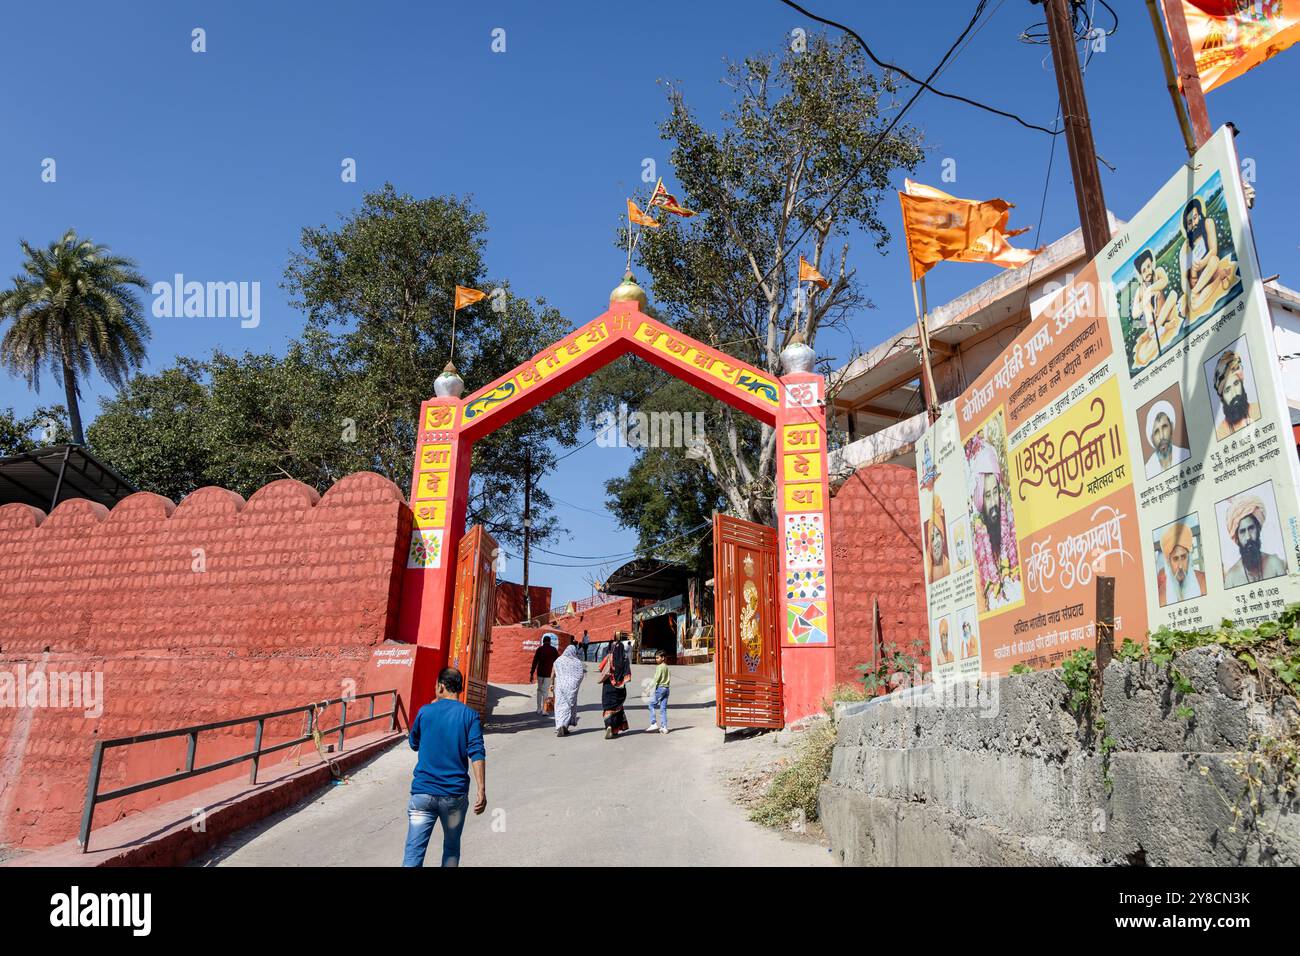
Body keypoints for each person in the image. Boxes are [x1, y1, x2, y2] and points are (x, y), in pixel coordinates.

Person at [402, 667, 486, 868]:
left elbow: (414, 743)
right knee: (451, 849)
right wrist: (481, 789)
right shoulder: (470, 715)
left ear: (440, 686)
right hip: (454, 796)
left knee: (413, 854)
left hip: (422, 794)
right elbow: (476, 752)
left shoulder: (425, 711)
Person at [967, 438, 1023, 612]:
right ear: (980, 501)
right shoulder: (976, 550)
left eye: (995, 493)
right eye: (987, 495)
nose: (993, 503)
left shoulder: (1015, 526)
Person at [1180, 197, 1237, 320]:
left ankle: (1197, 291)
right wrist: (1193, 278)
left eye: (1195, 218)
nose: (1193, 224)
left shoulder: (1207, 223)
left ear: (1200, 215)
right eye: (1189, 223)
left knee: (1214, 260)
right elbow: (1184, 275)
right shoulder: (1187, 246)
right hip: (1201, 280)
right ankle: (1221, 277)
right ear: (1187, 227)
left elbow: (1213, 250)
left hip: (1211, 267)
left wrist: (1201, 264)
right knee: (1195, 306)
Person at [1223, 495, 1287, 587]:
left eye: (1251, 528)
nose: (1248, 537)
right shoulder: (1231, 578)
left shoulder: (1275, 563)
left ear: (1258, 529)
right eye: (1242, 532)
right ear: (1237, 537)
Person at [1132, 248, 1183, 341]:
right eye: (1144, 271)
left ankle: (1155, 329)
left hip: (1165, 311)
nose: (1147, 272)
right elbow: (1134, 313)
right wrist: (1146, 298)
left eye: (1148, 266)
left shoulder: (1158, 272)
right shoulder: (1140, 290)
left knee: (1173, 294)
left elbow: (1165, 281)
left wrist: (1150, 290)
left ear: (1152, 264)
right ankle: (1161, 328)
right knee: (1149, 321)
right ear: (1140, 275)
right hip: (1153, 320)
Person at [1212, 349, 1261, 440]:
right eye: (1227, 390)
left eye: (1236, 384)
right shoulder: (1221, 434)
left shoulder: (1259, 410)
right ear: (1222, 397)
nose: (1234, 393)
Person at [1156, 522, 1205, 606]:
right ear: (1168, 562)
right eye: (1175, 559)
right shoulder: (1162, 598)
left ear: (1189, 557)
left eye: (1183, 557)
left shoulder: (1204, 582)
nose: (1180, 566)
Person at [1143, 400, 1191, 478]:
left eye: (1164, 427)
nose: (1162, 436)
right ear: (1152, 439)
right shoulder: (1148, 471)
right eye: (1156, 432)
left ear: (1171, 427)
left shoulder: (1185, 455)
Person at [598, 637, 632, 739]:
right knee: (618, 708)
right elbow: (628, 675)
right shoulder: (625, 659)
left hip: (608, 687)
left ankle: (609, 726)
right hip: (620, 689)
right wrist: (620, 681)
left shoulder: (609, 657)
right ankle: (615, 729)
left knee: (608, 707)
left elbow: (600, 668)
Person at [551, 644, 584, 737]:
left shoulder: (559, 660)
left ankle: (560, 725)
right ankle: (564, 726)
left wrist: (552, 684)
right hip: (571, 688)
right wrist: (574, 683)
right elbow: (580, 675)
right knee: (568, 707)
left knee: (560, 706)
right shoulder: (577, 662)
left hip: (560, 687)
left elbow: (553, 672)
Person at [529, 635, 559, 715]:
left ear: (543, 641)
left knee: (539, 690)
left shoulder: (539, 649)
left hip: (540, 673)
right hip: (548, 674)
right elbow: (557, 662)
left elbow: (534, 662)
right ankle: (544, 710)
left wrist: (532, 673)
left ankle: (538, 709)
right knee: (545, 691)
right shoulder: (553, 650)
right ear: (549, 641)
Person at [926, 494, 951, 583]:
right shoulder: (927, 570)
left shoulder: (949, 566)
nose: (936, 542)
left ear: (942, 538)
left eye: (937, 535)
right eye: (932, 539)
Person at [646, 650, 670, 734]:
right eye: (655, 658)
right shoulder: (666, 667)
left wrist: (649, 689)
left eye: (658, 658)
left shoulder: (659, 667)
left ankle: (653, 723)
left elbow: (656, 679)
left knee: (650, 704)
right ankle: (664, 727)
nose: (656, 659)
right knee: (663, 708)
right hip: (666, 689)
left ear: (663, 658)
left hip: (660, 688)